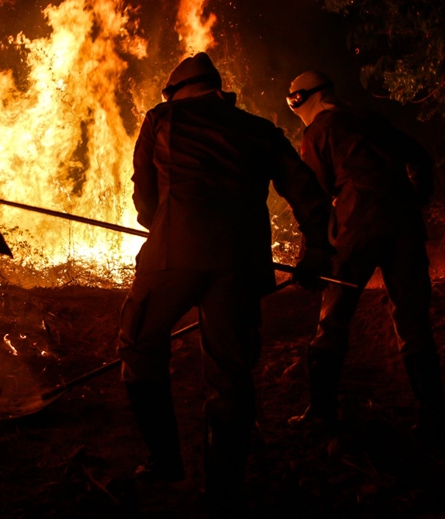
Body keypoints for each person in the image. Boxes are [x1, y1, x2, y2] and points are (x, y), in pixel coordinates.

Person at [118, 53, 332, 505]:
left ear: (175, 93)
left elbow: (143, 197)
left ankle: (165, 461)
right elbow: (305, 189)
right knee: (231, 377)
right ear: (219, 92)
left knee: (139, 343)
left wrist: (166, 225)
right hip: (241, 261)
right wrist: (316, 249)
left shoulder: (161, 117)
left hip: (175, 251)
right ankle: (225, 489)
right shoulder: (260, 130)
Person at [285, 70, 445, 441]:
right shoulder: (370, 119)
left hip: (357, 227)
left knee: (334, 318)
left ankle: (321, 413)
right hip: (403, 224)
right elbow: (419, 155)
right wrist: (415, 198)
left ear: (300, 100)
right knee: (413, 319)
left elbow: (315, 199)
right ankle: (432, 415)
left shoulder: (318, 132)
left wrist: (311, 254)